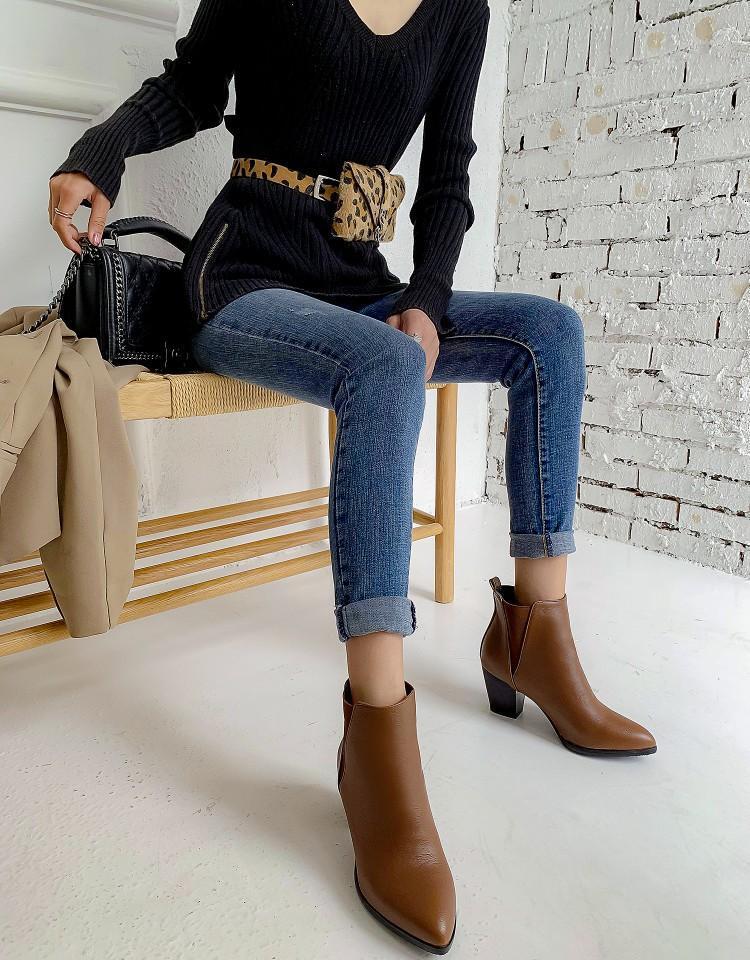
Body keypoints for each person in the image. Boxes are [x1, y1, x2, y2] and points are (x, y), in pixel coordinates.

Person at [48, 0, 656, 952]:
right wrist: (100, 151)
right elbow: (190, 86)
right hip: (243, 277)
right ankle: (375, 741)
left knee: (549, 334)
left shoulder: (460, 11)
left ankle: (534, 640)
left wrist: (426, 301)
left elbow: (448, 175)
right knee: (380, 368)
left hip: (359, 280)